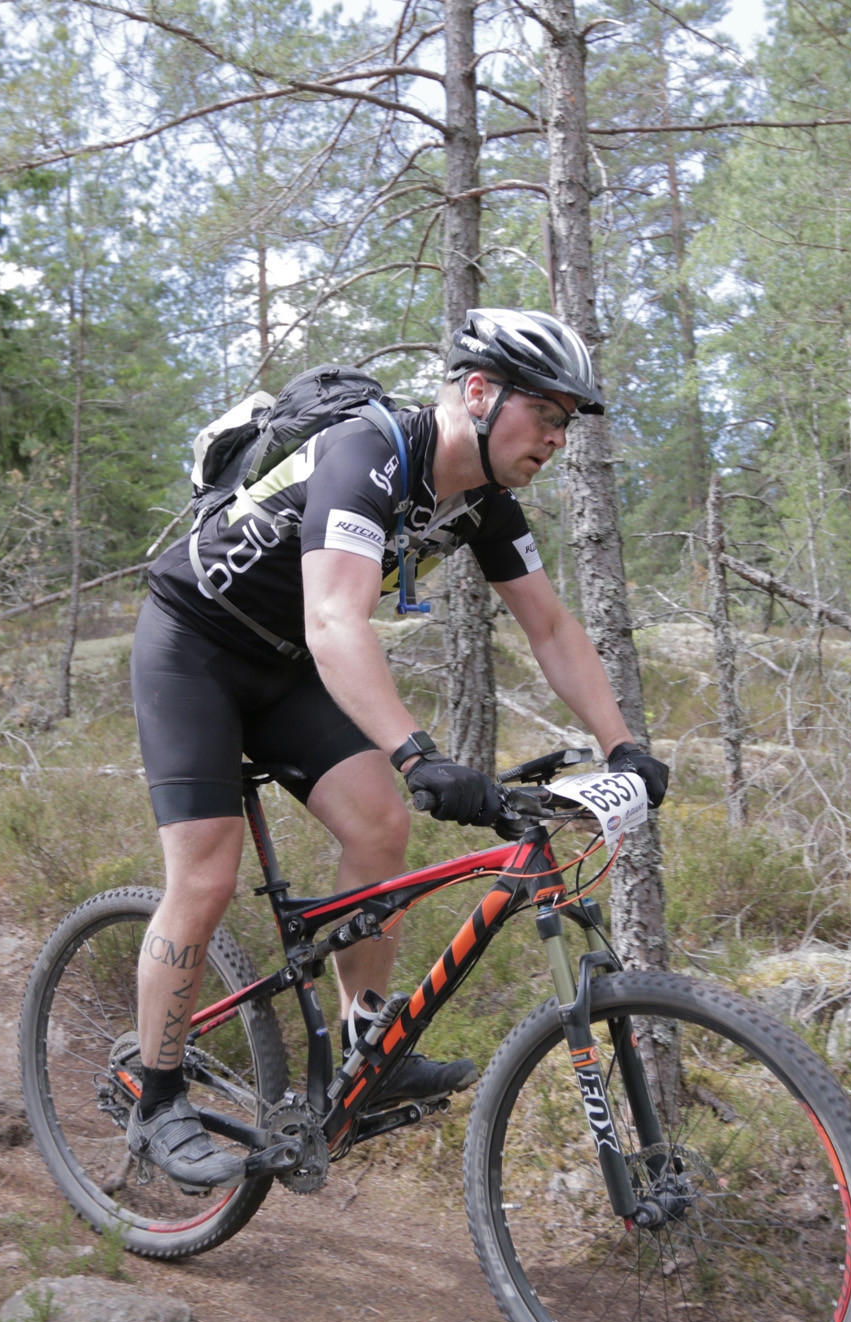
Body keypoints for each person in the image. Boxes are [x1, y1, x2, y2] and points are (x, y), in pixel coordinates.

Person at [125, 308, 670, 1191]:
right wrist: (418, 754)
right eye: (548, 414)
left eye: (569, 423)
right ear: (479, 392)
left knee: (379, 826)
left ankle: (364, 1045)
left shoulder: (483, 501)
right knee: (206, 875)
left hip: (286, 663)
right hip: (194, 644)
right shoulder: (368, 453)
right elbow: (336, 619)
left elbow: (551, 626)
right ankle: (155, 1098)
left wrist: (624, 745)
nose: (559, 439)